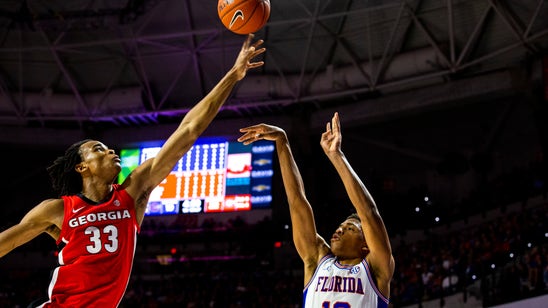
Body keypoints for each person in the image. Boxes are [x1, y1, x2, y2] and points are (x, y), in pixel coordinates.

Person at [0, 34, 265, 308]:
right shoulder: (57, 210)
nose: (111, 151)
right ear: (82, 166)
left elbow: (188, 130)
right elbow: (5, 244)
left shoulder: (132, 192)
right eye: (99, 149)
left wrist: (233, 76)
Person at [238, 112, 395, 307]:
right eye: (341, 226)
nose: (339, 230)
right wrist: (282, 142)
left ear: (366, 245)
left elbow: (369, 212)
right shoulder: (317, 258)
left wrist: (336, 156)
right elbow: (297, 202)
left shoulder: (375, 268)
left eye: (350, 229)